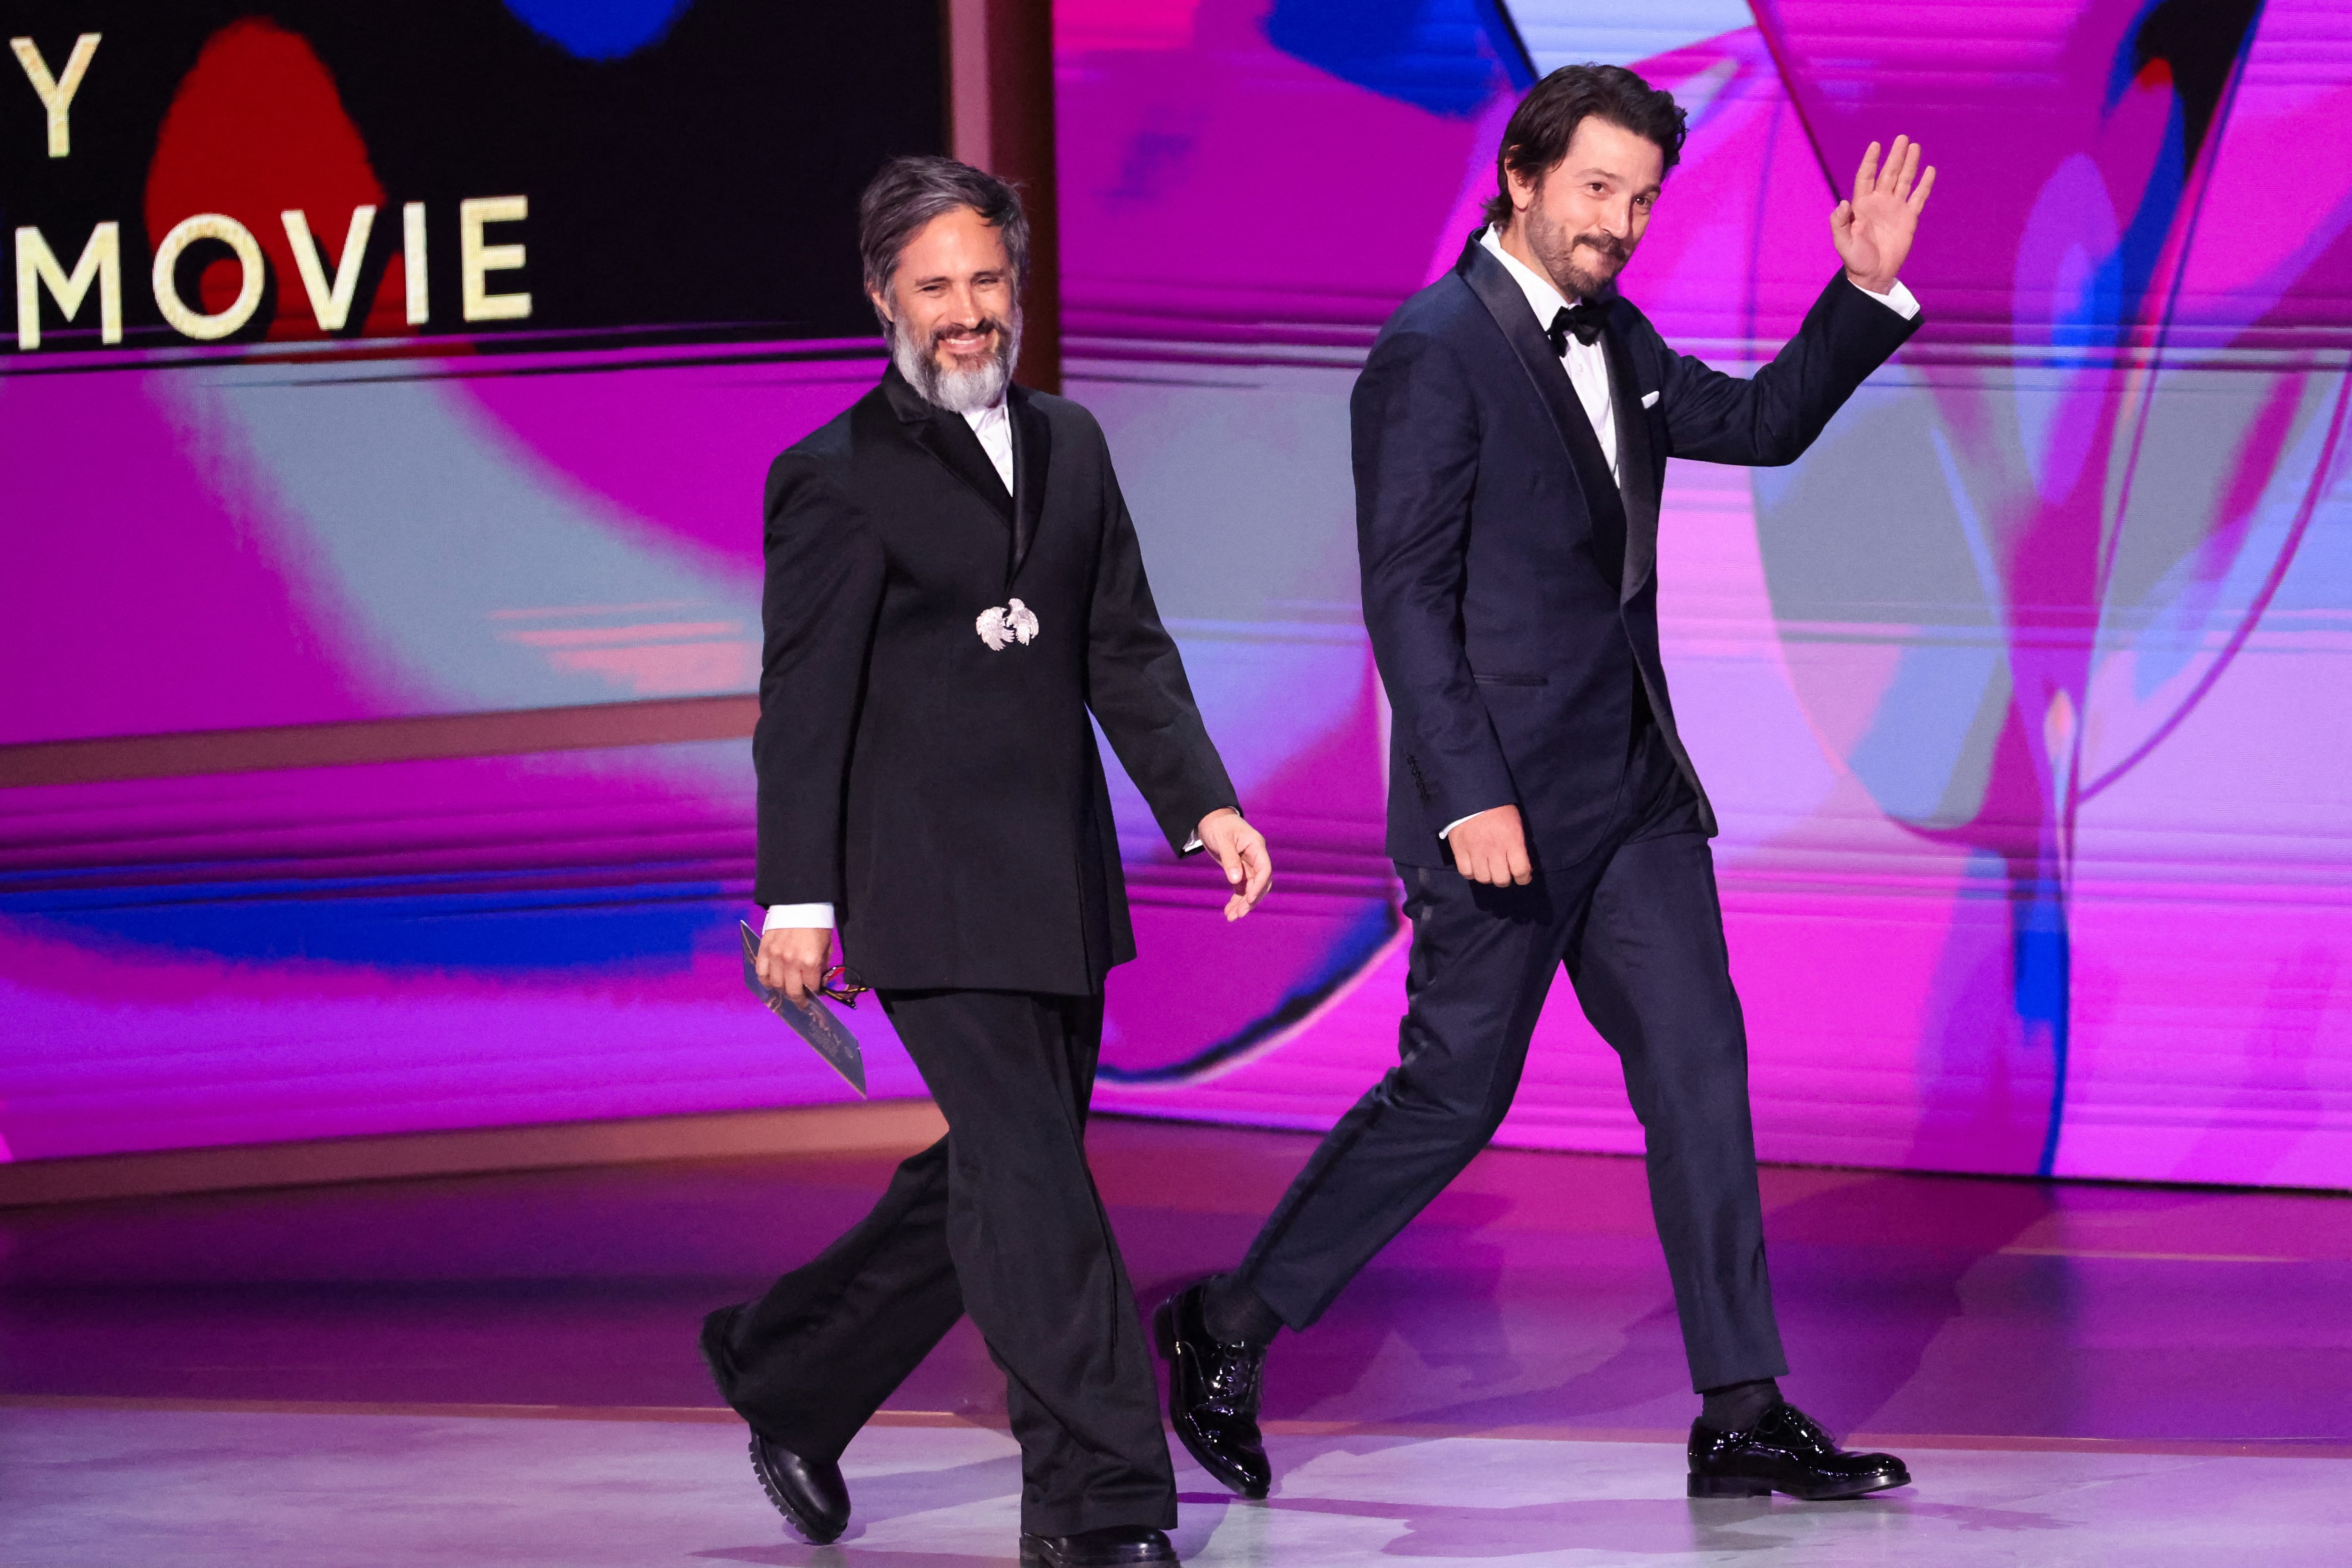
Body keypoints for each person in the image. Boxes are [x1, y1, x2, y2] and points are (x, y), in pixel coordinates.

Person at [1155, 64, 1935, 1503]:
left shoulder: (1621, 337)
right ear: (1521, 175)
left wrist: (1864, 296)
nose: (1620, 224)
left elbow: (1759, 426)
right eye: (1597, 188)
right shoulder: (1431, 352)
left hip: (1631, 791)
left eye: (1641, 199)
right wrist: (1467, 793)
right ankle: (1227, 1322)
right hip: (1498, 803)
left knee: (1701, 1068)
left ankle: (1742, 1406)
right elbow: (1405, 599)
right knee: (1456, 1096)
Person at [700, 155, 1272, 1568]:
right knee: (1039, 1196)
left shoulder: (1073, 445)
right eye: (937, 287)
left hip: (1059, 882)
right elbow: (806, 701)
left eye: (988, 282)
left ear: (1017, 289)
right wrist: (798, 897)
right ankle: (1099, 1504)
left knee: (1002, 1176)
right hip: (922, 887)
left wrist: (1204, 805)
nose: (968, 314)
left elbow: (1123, 647)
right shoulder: (830, 478)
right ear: (884, 297)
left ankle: (792, 1371)